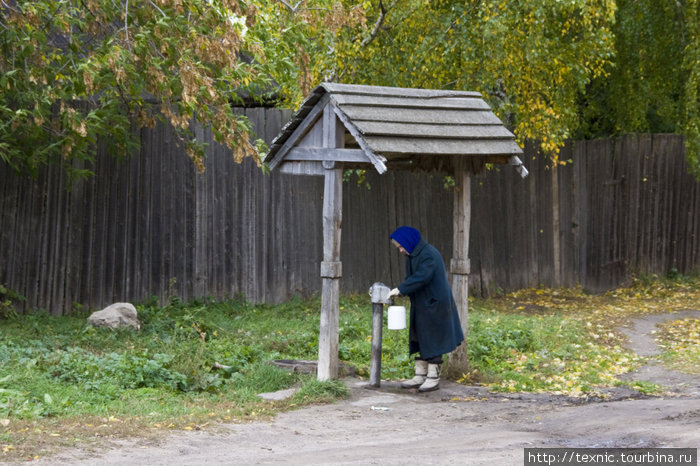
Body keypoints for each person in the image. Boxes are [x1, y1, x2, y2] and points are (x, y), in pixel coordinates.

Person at [387, 226, 464, 392]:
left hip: (434, 304)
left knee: (433, 339)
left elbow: (422, 277)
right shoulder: (413, 254)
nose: (400, 250)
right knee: (420, 337)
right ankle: (420, 375)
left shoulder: (428, 254)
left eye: (401, 246)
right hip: (423, 303)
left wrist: (401, 289)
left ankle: (433, 378)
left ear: (409, 242)